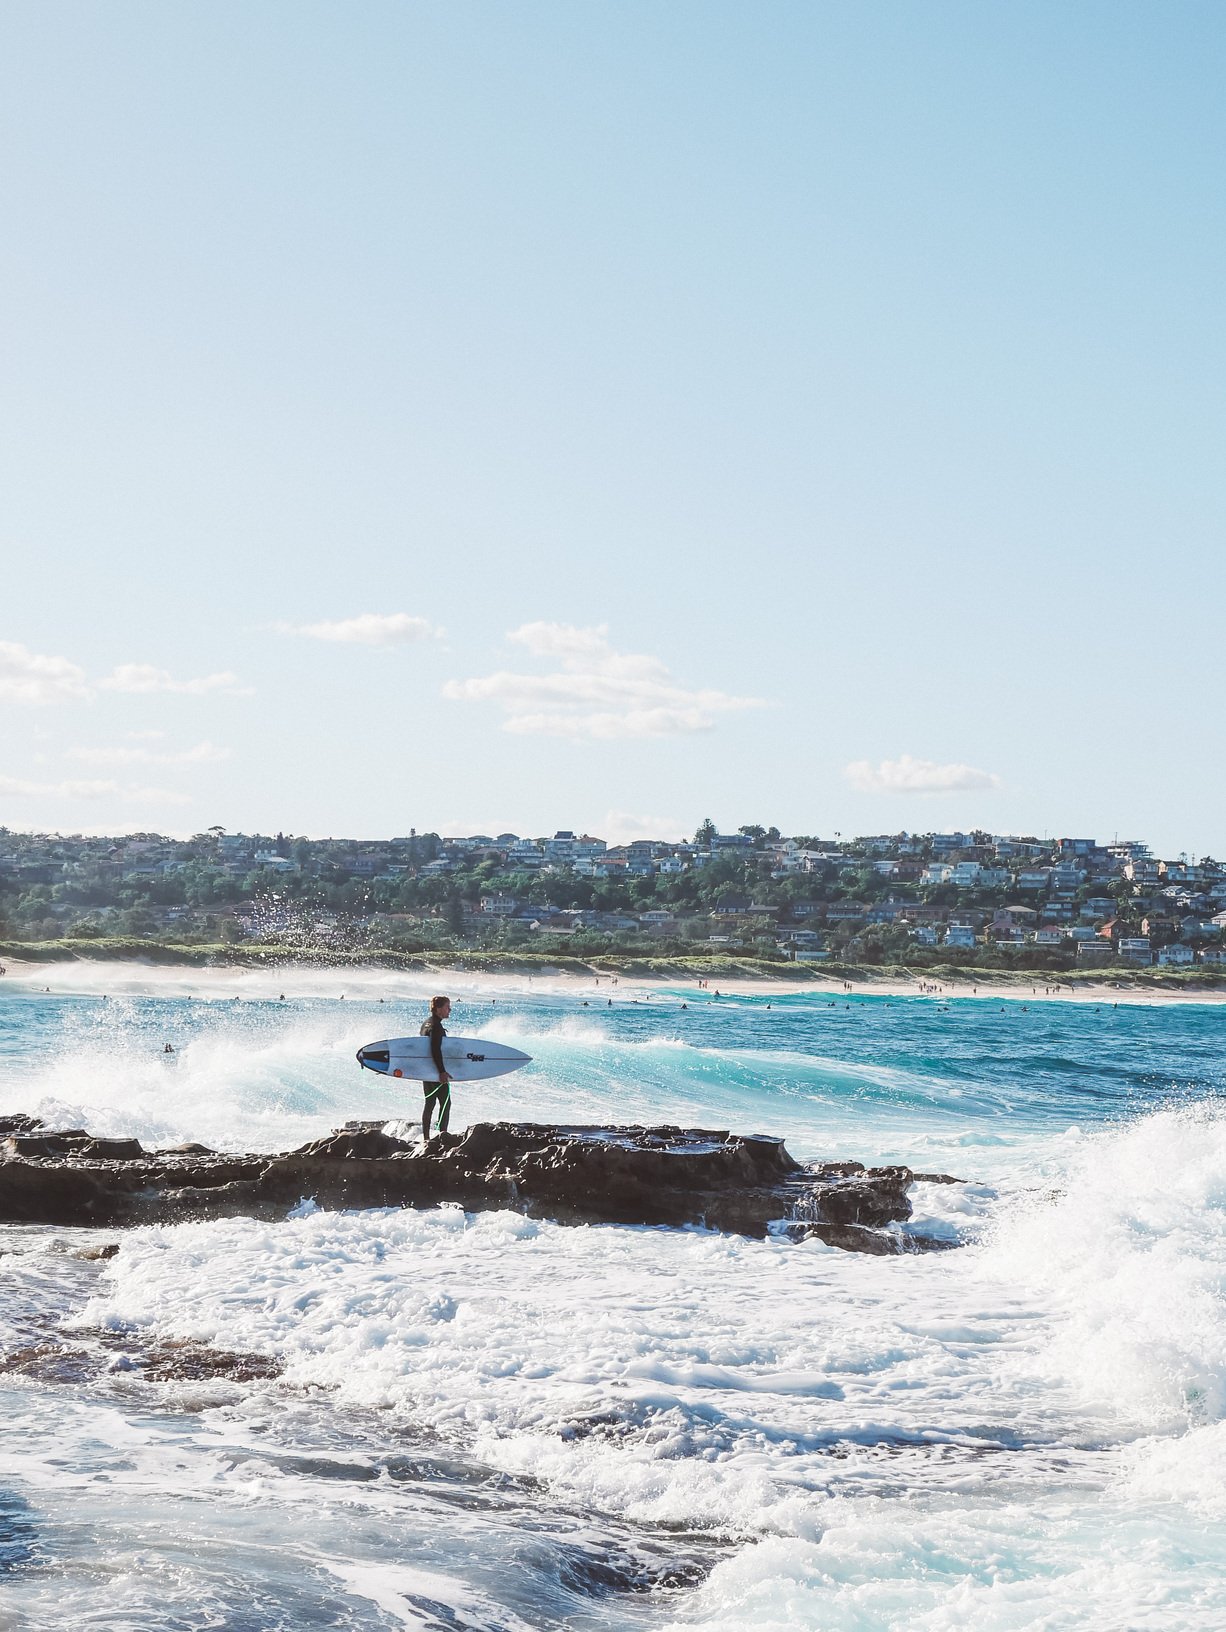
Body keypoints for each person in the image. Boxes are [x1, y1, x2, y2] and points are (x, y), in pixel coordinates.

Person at [420, 995, 452, 1141]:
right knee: (445, 1103)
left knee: (430, 1103)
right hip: (435, 1071)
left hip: (426, 1070)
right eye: (447, 1007)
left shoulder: (426, 1023)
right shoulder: (436, 1026)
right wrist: (441, 1072)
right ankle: (442, 1136)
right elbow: (435, 1049)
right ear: (439, 1009)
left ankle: (426, 1138)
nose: (449, 1010)